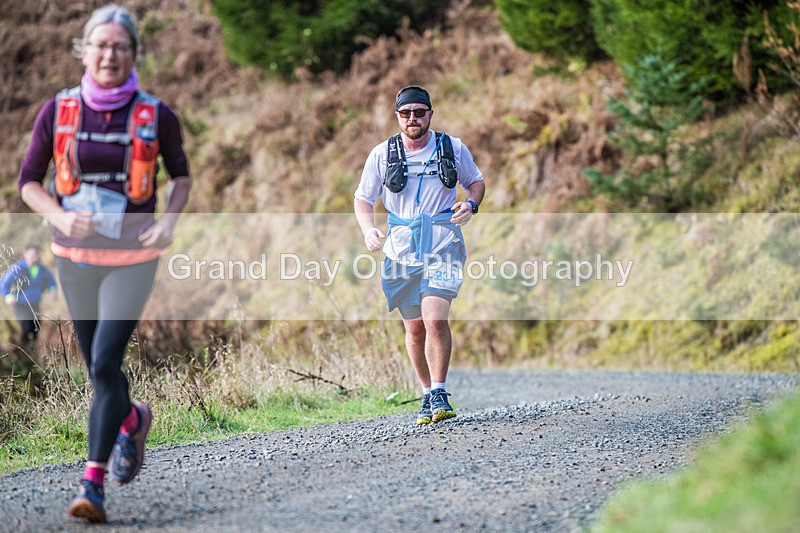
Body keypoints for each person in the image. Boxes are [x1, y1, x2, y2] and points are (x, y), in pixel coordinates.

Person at [18, 4, 190, 523]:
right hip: (74, 257)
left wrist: (169, 222)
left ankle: (91, 487)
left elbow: (180, 176)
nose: (110, 54)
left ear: (134, 53)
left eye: (120, 46)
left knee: (101, 362)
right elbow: (28, 180)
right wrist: (56, 214)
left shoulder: (155, 113)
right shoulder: (59, 110)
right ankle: (133, 418)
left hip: (133, 257)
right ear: (84, 50)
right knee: (103, 371)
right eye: (101, 44)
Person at [354, 85, 485, 425]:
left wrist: (471, 204)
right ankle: (427, 393)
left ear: (430, 113)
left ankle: (440, 390)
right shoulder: (381, 154)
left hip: (442, 242)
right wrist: (369, 230)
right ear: (397, 116)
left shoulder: (453, 147)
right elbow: (363, 199)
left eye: (419, 112)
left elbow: (476, 182)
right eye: (405, 113)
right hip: (400, 247)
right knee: (414, 329)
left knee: (435, 319)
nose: (412, 118)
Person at [1, 243, 57, 345]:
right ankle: (22, 351)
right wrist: (8, 296)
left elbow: (51, 281)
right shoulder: (17, 268)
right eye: (31, 253)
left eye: (35, 253)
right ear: (25, 254)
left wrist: (53, 291)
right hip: (20, 303)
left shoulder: (42, 269)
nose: (33, 256)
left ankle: (32, 350)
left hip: (35, 303)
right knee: (26, 327)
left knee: (36, 328)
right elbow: (4, 284)